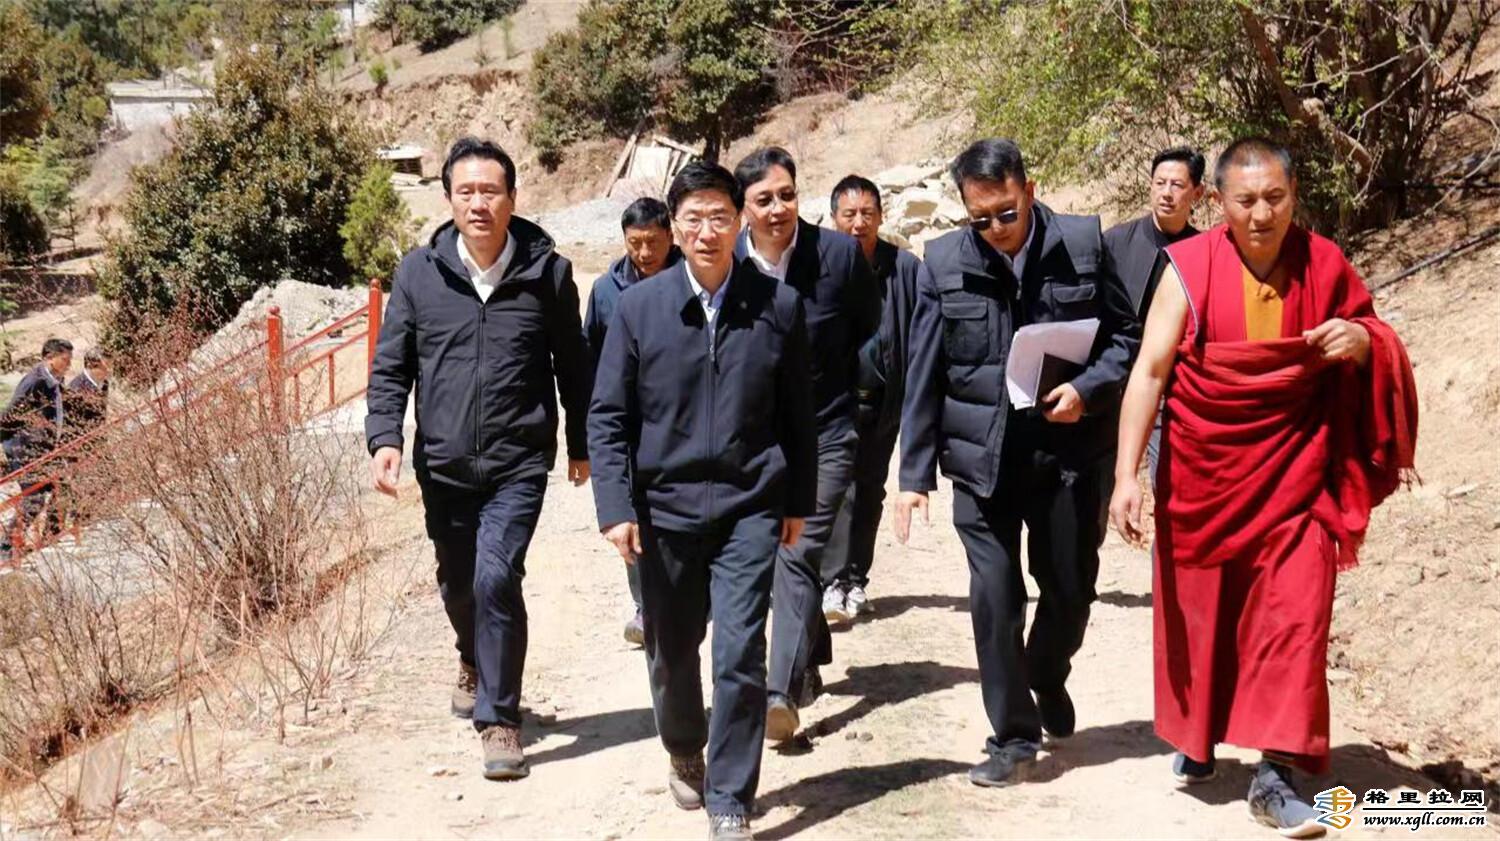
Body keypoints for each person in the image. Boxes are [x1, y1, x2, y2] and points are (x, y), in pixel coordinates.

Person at [1109, 138, 1416, 838]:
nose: (1261, 213)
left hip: (1298, 476)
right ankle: (1199, 732)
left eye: (1275, 197)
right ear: (1217, 202)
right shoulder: (1188, 268)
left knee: (1296, 620)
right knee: (1205, 617)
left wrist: (1363, 343)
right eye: (1245, 200)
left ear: (1294, 195)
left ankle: (1275, 776)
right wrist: (1126, 475)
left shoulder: (1324, 262)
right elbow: (1150, 372)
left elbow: (1371, 332)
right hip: (1204, 475)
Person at [894, 139, 1138, 787]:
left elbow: (1125, 337)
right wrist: (913, 475)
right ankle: (1012, 735)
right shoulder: (942, 263)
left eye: (1006, 212)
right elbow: (924, 371)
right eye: (980, 219)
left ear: (1029, 191)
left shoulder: (1083, 245)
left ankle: (1047, 672)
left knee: (1070, 589)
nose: (996, 229)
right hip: (983, 461)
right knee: (995, 599)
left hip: (1067, 454)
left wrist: (1087, 389)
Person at [589, 161, 816, 841]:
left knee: (740, 651)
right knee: (672, 648)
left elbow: (797, 415)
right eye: (694, 218)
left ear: (739, 221)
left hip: (750, 503)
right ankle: (685, 743)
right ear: (675, 226)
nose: (708, 231)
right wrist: (616, 507)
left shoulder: (778, 306)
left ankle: (730, 796)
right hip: (664, 509)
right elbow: (608, 415)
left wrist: (797, 500)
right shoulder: (639, 309)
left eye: (720, 216)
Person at [365, 137, 592, 781]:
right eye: (466, 191)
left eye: (490, 191)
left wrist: (581, 442)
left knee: (497, 578)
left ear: (512, 199)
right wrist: (386, 437)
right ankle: (471, 655)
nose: (478, 203)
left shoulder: (548, 274)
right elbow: (392, 365)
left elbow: (573, 366)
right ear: (448, 199)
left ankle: (499, 719)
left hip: (518, 462)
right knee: (458, 581)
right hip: (443, 463)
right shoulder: (419, 273)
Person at [732, 146, 879, 743]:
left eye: (787, 195)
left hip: (826, 433)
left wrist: (859, 399)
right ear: (743, 209)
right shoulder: (726, 263)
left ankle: (779, 693)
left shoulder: (838, 256)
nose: (778, 209)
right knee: (766, 557)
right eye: (764, 199)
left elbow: (868, 328)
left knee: (795, 551)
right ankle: (810, 644)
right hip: (752, 441)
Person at [819, 174, 922, 621]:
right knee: (836, 489)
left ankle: (856, 579)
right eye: (849, 214)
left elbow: (922, 330)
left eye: (867, 213)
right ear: (834, 218)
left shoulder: (905, 269)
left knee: (870, 490)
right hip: (833, 403)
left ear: (881, 217)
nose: (859, 223)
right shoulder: (820, 266)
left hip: (884, 403)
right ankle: (831, 581)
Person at [584, 196, 681, 647]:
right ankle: (645, 606)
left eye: (653, 242)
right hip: (629, 422)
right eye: (635, 243)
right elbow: (590, 357)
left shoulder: (692, 279)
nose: (644, 252)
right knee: (633, 514)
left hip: (681, 416)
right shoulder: (606, 291)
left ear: (670, 236)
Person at [1103, 147, 1206, 483]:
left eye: (1177, 185)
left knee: (1170, 481)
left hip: (1174, 388)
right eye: (1160, 183)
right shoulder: (1114, 242)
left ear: (1197, 193)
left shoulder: (1205, 252)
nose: (1166, 193)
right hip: (1116, 382)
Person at [0, 337, 73, 558]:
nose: (69, 364)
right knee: (34, 497)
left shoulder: (55, 381)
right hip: (26, 449)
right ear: (50, 358)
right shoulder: (35, 381)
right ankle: (6, 547)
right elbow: (12, 413)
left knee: (62, 486)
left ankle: (51, 534)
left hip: (47, 448)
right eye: (65, 359)